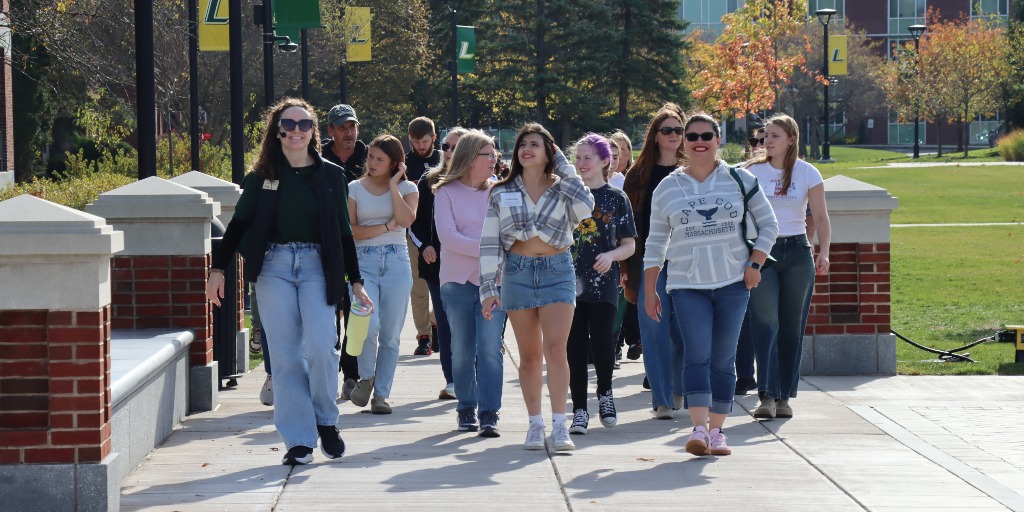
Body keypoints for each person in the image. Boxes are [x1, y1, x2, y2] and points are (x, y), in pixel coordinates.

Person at [206, 97, 371, 465]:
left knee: (321, 346)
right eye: (289, 124)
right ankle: (298, 440)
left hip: (316, 264)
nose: (296, 131)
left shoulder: (331, 175)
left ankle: (326, 420)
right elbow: (239, 226)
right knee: (283, 357)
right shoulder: (261, 177)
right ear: (277, 130)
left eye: (304, 124)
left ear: (314, 131)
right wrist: (217, 270)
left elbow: (344, 232)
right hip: (274, 266)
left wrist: (355, 281)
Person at [643, 113, 778, 456]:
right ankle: (699, 429)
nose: (699, 141)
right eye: (692, 136)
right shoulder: (668, 187)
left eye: (706, 135)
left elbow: (769, 225)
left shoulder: (740, 179)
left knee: (723, 358)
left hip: (734, 282)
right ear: (684, 143)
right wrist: (649, 289)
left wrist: (755, 264)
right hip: (687, 284)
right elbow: (655, 243)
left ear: (719, 139)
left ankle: (718, 431)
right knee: (697, 355)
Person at [479, 123, 595, 451]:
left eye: (535, 144)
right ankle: (535, 424)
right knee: (529, 357)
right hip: (517, 272)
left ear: (549, 154)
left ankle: (560, 425)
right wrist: (488, 287)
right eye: (522, 144)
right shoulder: (502, 191)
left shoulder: (563, 187)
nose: (527, 149)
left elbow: (587, 206)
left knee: (556, 350)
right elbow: (489, 241)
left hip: (557, 270)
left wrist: (564, 166)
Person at [746, 114, 831, 420]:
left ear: (791, 139)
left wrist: (824, 252)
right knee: (765, 321)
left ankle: (784, 397)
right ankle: (766, 396)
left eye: (774, 136)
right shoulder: (751, 172)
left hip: (798, 252)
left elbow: (820, 217)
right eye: (765, 135)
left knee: (791, 326)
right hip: (762, 254)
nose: (766, 141)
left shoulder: (808, 173)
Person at [433, 130, 509, 437]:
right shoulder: (445, 192)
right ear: (469, 158)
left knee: (490, 347)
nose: (493, 160)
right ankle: (466, 407)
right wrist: (487, 248)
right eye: (487, 155)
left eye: (495, 155)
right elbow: (448, 238)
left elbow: (509, 234)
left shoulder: (501, 192)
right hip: (456, 283)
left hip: (495, 283)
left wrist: (493, 253)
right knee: (462, 349)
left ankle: (489, 412)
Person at [566, 134, 636, 435]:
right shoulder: (566, 194)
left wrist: (611, 256)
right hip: (568, 282)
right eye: (578, 157)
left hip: (604, 283)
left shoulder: (616, 198)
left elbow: (629, 244)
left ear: (605, 161)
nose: (581, 163)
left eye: (588, 158)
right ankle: (579, 410)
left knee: (604, 343)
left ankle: (605, 393)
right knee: (575, 347)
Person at [622, 104, 687, 418]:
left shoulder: (695, 169)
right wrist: (625, 268)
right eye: (668, 130)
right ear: (656, 136)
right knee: (654, 330)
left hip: (690, 262)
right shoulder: (638, 175)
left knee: (684, 330)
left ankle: (678, 388)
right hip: (650, 262)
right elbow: (626, 226)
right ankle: (661, 399)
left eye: (679, 130)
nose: (674, 135)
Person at [347, 135, 419, 415]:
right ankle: (367, 377)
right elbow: (352, 231)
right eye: (371, 157)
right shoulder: (355, 187)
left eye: (380, 159)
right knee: (369, 325)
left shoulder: (407, 187)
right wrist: (386, 227)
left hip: (397, 263)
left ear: (394, 164)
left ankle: (382, 394)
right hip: (364, 263)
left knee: (390, 335)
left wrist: (393, 186)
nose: (373, 163)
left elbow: (407, 220)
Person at [413, 127, 469, 400]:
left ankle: (473, 376)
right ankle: (453, 380)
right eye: (445, 146)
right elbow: (415, 222)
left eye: (454, 147)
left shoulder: (481, 181)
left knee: (471, 323)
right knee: (446, 323)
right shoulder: (429, 180)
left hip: (473, 266)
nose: (447, 152)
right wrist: (425, 245)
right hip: (438, 267)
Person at [321, 103, 365, 400]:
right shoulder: (317, 158)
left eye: (352, 126)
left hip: (358, 243)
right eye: (342, 127)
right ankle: (326, 364)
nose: (348, 132)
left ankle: (351, 373)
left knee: (354, 311)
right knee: (327, 307)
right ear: (331, 131)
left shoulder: (368, 157)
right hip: (324, 243)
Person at [405, 117, 442, 356]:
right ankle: (424, 335)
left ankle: (435, 321)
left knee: (443, 286)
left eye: (425, 141)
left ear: (434, 138)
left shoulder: (444, 158)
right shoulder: (404, 162)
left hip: (443, 233)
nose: (420, 146)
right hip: (414, 232)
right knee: (418, 288)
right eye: (416, 142)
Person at [734, 125, 766, 396]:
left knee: (766, 318)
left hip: (777, 250)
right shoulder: (739, 173)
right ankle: (745, 374)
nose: (759, 145)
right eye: (754, 140)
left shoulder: (795, 171)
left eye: (765, 140)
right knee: (743, 317)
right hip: (746, 250)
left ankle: (770, 379)